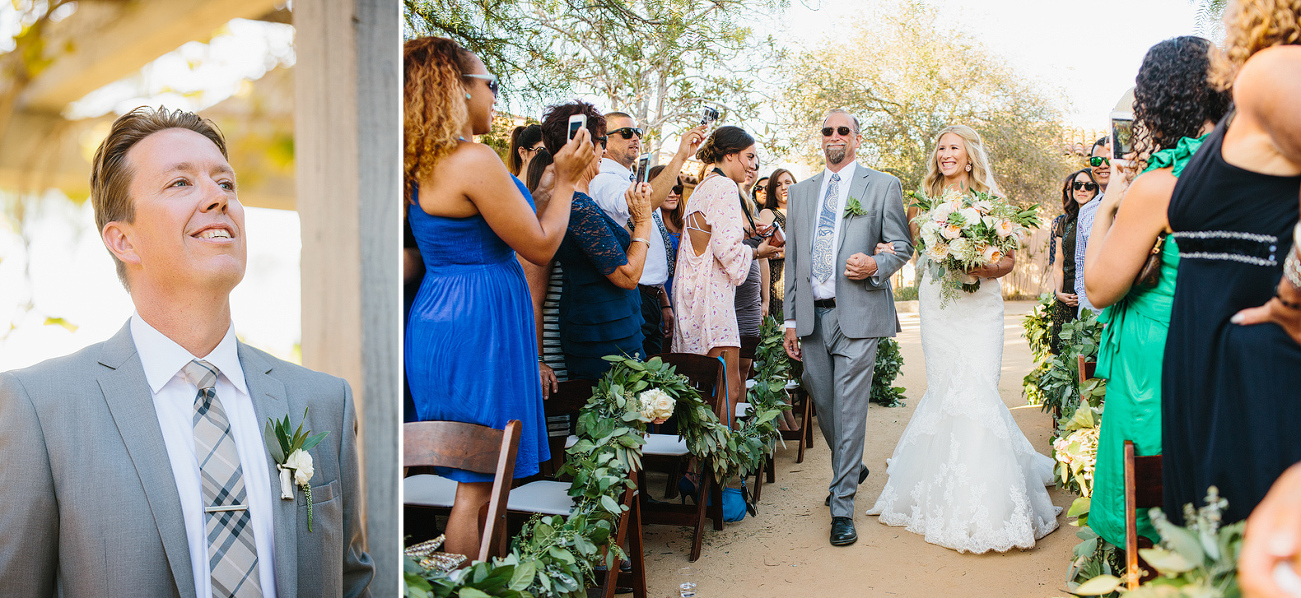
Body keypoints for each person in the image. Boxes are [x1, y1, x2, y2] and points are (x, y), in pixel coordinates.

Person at [0, 107, 374, 596]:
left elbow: (352, 581)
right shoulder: (38, 408)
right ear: (123, 240)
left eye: (226, 184)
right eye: (181, 183)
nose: (219, 198)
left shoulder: (323, 400)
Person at [402, 37, 592, 557]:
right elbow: (540, 242)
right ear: (459, 91)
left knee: (479, 478)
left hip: (440, 314)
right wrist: (570, 184)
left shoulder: (419, 161)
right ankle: (473, 587)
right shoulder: (474, 159)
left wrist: (553, 185)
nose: (492, 94)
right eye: (489, 83)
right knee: (482, 488)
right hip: (481, 323)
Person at [867, 124, 1060, 553]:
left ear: (969, 156)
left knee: (977, 388)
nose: (945, 154)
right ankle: (942, 490)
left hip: (980, 304)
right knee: (947, 388)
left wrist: (978, 266)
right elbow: (912, 249)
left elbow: (1007, 261)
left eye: (953, 148)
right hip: (939, 303)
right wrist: (887, 252)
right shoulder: (922, 203)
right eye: (940, 148)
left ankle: (991, 500)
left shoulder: (990, 204)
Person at [1082, 36, 1231, 549]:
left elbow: (1099, 288)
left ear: (1163, 98)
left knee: (1154, 490)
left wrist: (1109, 205)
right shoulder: (1253, 172)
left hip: (1158, 357)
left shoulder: (1161, 183)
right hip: (1229, 352)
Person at [1160, 0, 1301, 527]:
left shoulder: (1275, 69)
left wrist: (1293, 294)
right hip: (1209, 364)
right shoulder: (1266, 80)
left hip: (1258, 366)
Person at [782, 109, 911, 547]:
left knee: (850, 408)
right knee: (825, 405)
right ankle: (850, 466)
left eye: (843, 130)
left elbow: (902, 246)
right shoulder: (799, 193)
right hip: (812, 317)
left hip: (857, 313)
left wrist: (877, 263)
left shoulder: (883, 185)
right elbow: (795, 260)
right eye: (827, 130)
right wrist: (790, 321)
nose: (834, 136)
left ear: (856, 138)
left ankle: (842, 507)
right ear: (821, 139)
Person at [545, 102, 656, 381]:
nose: (603, 151)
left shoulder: (575, 199)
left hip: (610, 327)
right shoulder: (578, 206)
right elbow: (628, 275)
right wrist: (643, 221)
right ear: (583, 145)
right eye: (601, 142)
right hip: (603, 336)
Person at [673, 125, 777, 419]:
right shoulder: (725, 188)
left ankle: (696, 463)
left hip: (691, 299)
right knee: (728, 385)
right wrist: (758, 251)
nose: (752, 165)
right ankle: (721, 461)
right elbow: (730, 255)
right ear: (730, 155)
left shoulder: (703, 188)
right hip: (714, 303)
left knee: (699, 389)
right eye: (749, 156)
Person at [589, 112, 706, 359]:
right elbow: (646, 203)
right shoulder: (604, 180)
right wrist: (681, 156)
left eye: (637, 133)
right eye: (625, 133)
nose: (635, 138)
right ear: (603, 142)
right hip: (631, 295)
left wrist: (663, 302)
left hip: (652, 298)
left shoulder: (629, 177)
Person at [1047, 169, 1097, 352]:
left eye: (1088, 186)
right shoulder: (1064, 221)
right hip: (1066, 295)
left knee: (1087, 352)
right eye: (1077, 185)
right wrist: (1058, 292)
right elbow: (1058, 262)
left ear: (1096, 189)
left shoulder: (1101, 217)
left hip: (1091, 293)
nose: (1082, 189)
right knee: (1063, 353)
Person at [1076, 137, 1111, 315]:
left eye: (1109, 160)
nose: (1102, 165)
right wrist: (1083, 298)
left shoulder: (1134, 201)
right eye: (1096, 161)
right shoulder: (1086, 211)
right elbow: (1080, 259)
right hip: (1093, 304)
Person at [760, 168, 796, 321]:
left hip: (802, 279)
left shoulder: (804, 211)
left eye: (788, 182)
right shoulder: (767, 214)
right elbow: (766, 252)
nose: (784, 187)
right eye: (778, 184)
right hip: (779, 279)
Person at [650, 165, 686, 302]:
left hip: (683, 296)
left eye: (677, 189)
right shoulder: (647, 224)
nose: (672, 194)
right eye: (667, 189)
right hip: (654, 295)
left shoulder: (687, 224)